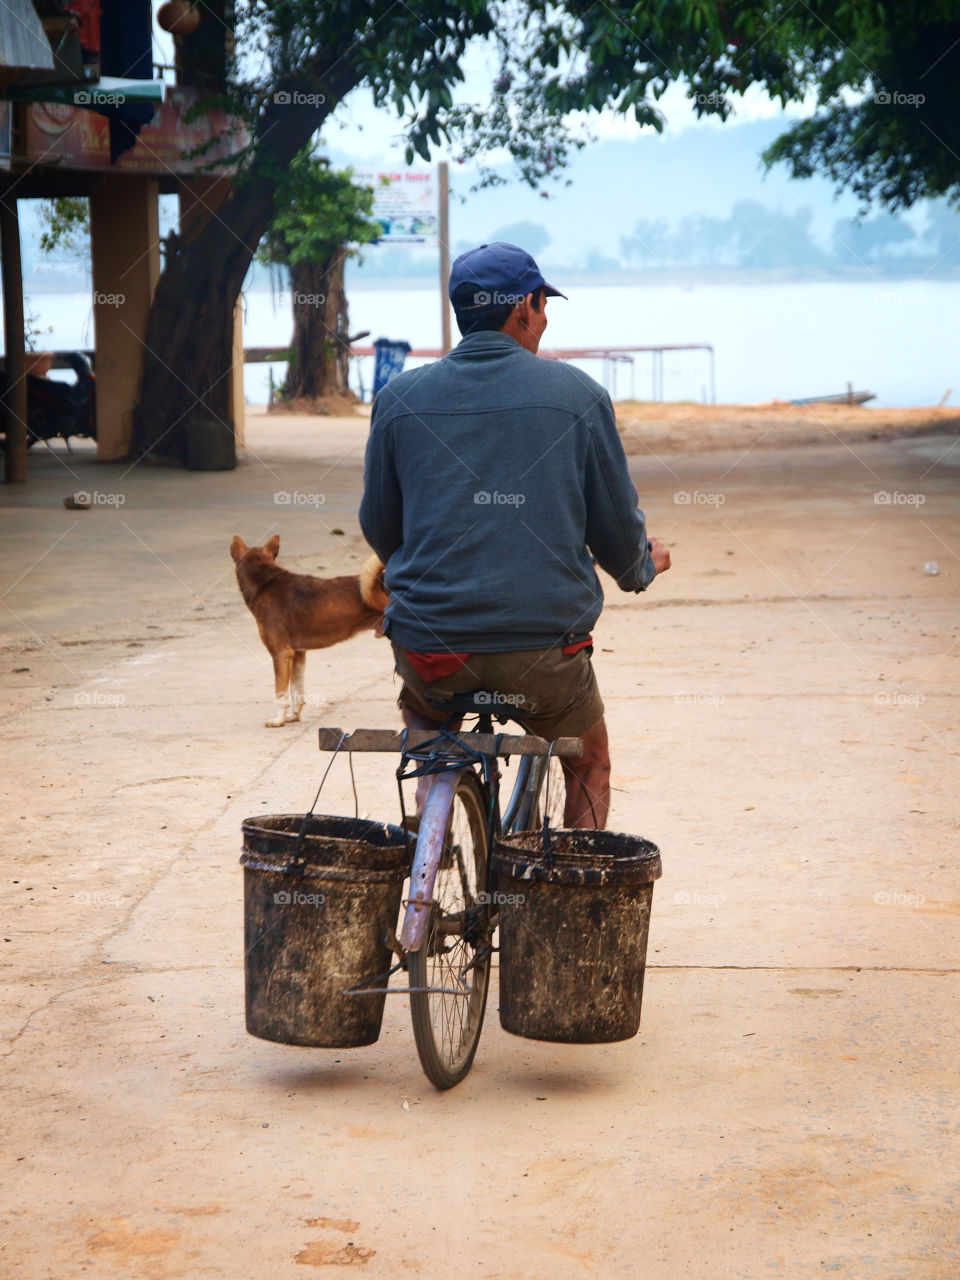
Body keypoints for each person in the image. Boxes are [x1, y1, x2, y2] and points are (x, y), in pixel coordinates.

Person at [359, 242, 671, 827]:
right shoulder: (578, 397)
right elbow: (617, 533)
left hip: (432, 652)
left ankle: (435, 829)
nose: (546, 319)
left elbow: (381, 526)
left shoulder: (399, 400)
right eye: (543, 305)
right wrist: (642, 565)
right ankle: (573, 901)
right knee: (591, 760)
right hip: (544, 658)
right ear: (524, 309)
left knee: (426, 728)